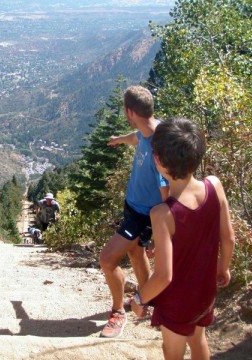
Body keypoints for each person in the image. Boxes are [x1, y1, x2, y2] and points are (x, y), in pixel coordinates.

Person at [130, 117, 236, 359]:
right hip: (205, 293)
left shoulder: (162, 213)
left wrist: (139, 299)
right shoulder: (214, 186)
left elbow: (164, 276)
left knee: (173, 352)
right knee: (198, 340)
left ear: (157, 161)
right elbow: (228, 237)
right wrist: (224, 268)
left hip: (177, 301)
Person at [99, 85, 169, 338]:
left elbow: (168, 194)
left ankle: (118, 311)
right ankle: (150, 301)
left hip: (144, 215)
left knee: (107, 260)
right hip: (134, 207)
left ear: (129, 112)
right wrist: (120, 140)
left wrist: (161, 237)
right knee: (136, 254)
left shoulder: (160, 145)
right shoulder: (149, 129)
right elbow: (136, 137)